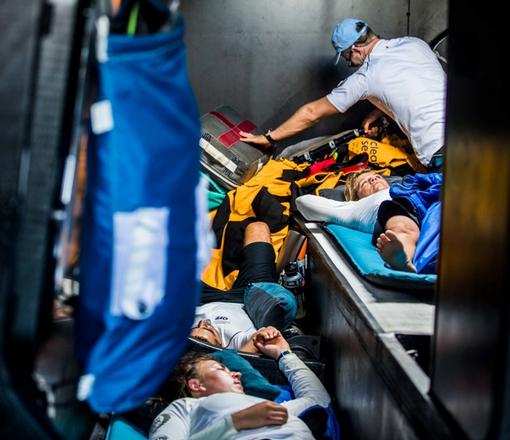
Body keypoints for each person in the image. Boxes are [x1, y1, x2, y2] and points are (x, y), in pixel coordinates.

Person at [240, 18, 446, 168]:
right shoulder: (414, 43)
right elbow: (414, 83)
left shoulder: (365, 77)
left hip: (438, 150)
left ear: (355, 48)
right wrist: (380, 111)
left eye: (347, 57)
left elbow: (312, 113)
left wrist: (269, 138)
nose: (349, 63)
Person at [149, 328, 331, 439]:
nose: (236, 373)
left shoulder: (269, 409)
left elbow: (318, 399)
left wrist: (283, 353)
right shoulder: (185, 409)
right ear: (196, 385)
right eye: (220, 369)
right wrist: (234, 423)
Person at [296, 169, 442, 273]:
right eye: (363, 183)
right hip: (398, 209)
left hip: (430, 203)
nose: (373, 179)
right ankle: (404, 260)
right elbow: (303, 202)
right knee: (403, 228)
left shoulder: (407, 185)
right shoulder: (353, 207)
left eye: (377, 176)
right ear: (357, 196)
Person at [191, 221, 297, 353]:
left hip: (202, 299)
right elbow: (254, 345)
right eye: (208, 329)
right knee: (258, 228)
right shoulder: (236, 342)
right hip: (245, 299)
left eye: (196, 327)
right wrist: (265, 334)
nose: (203, 323)